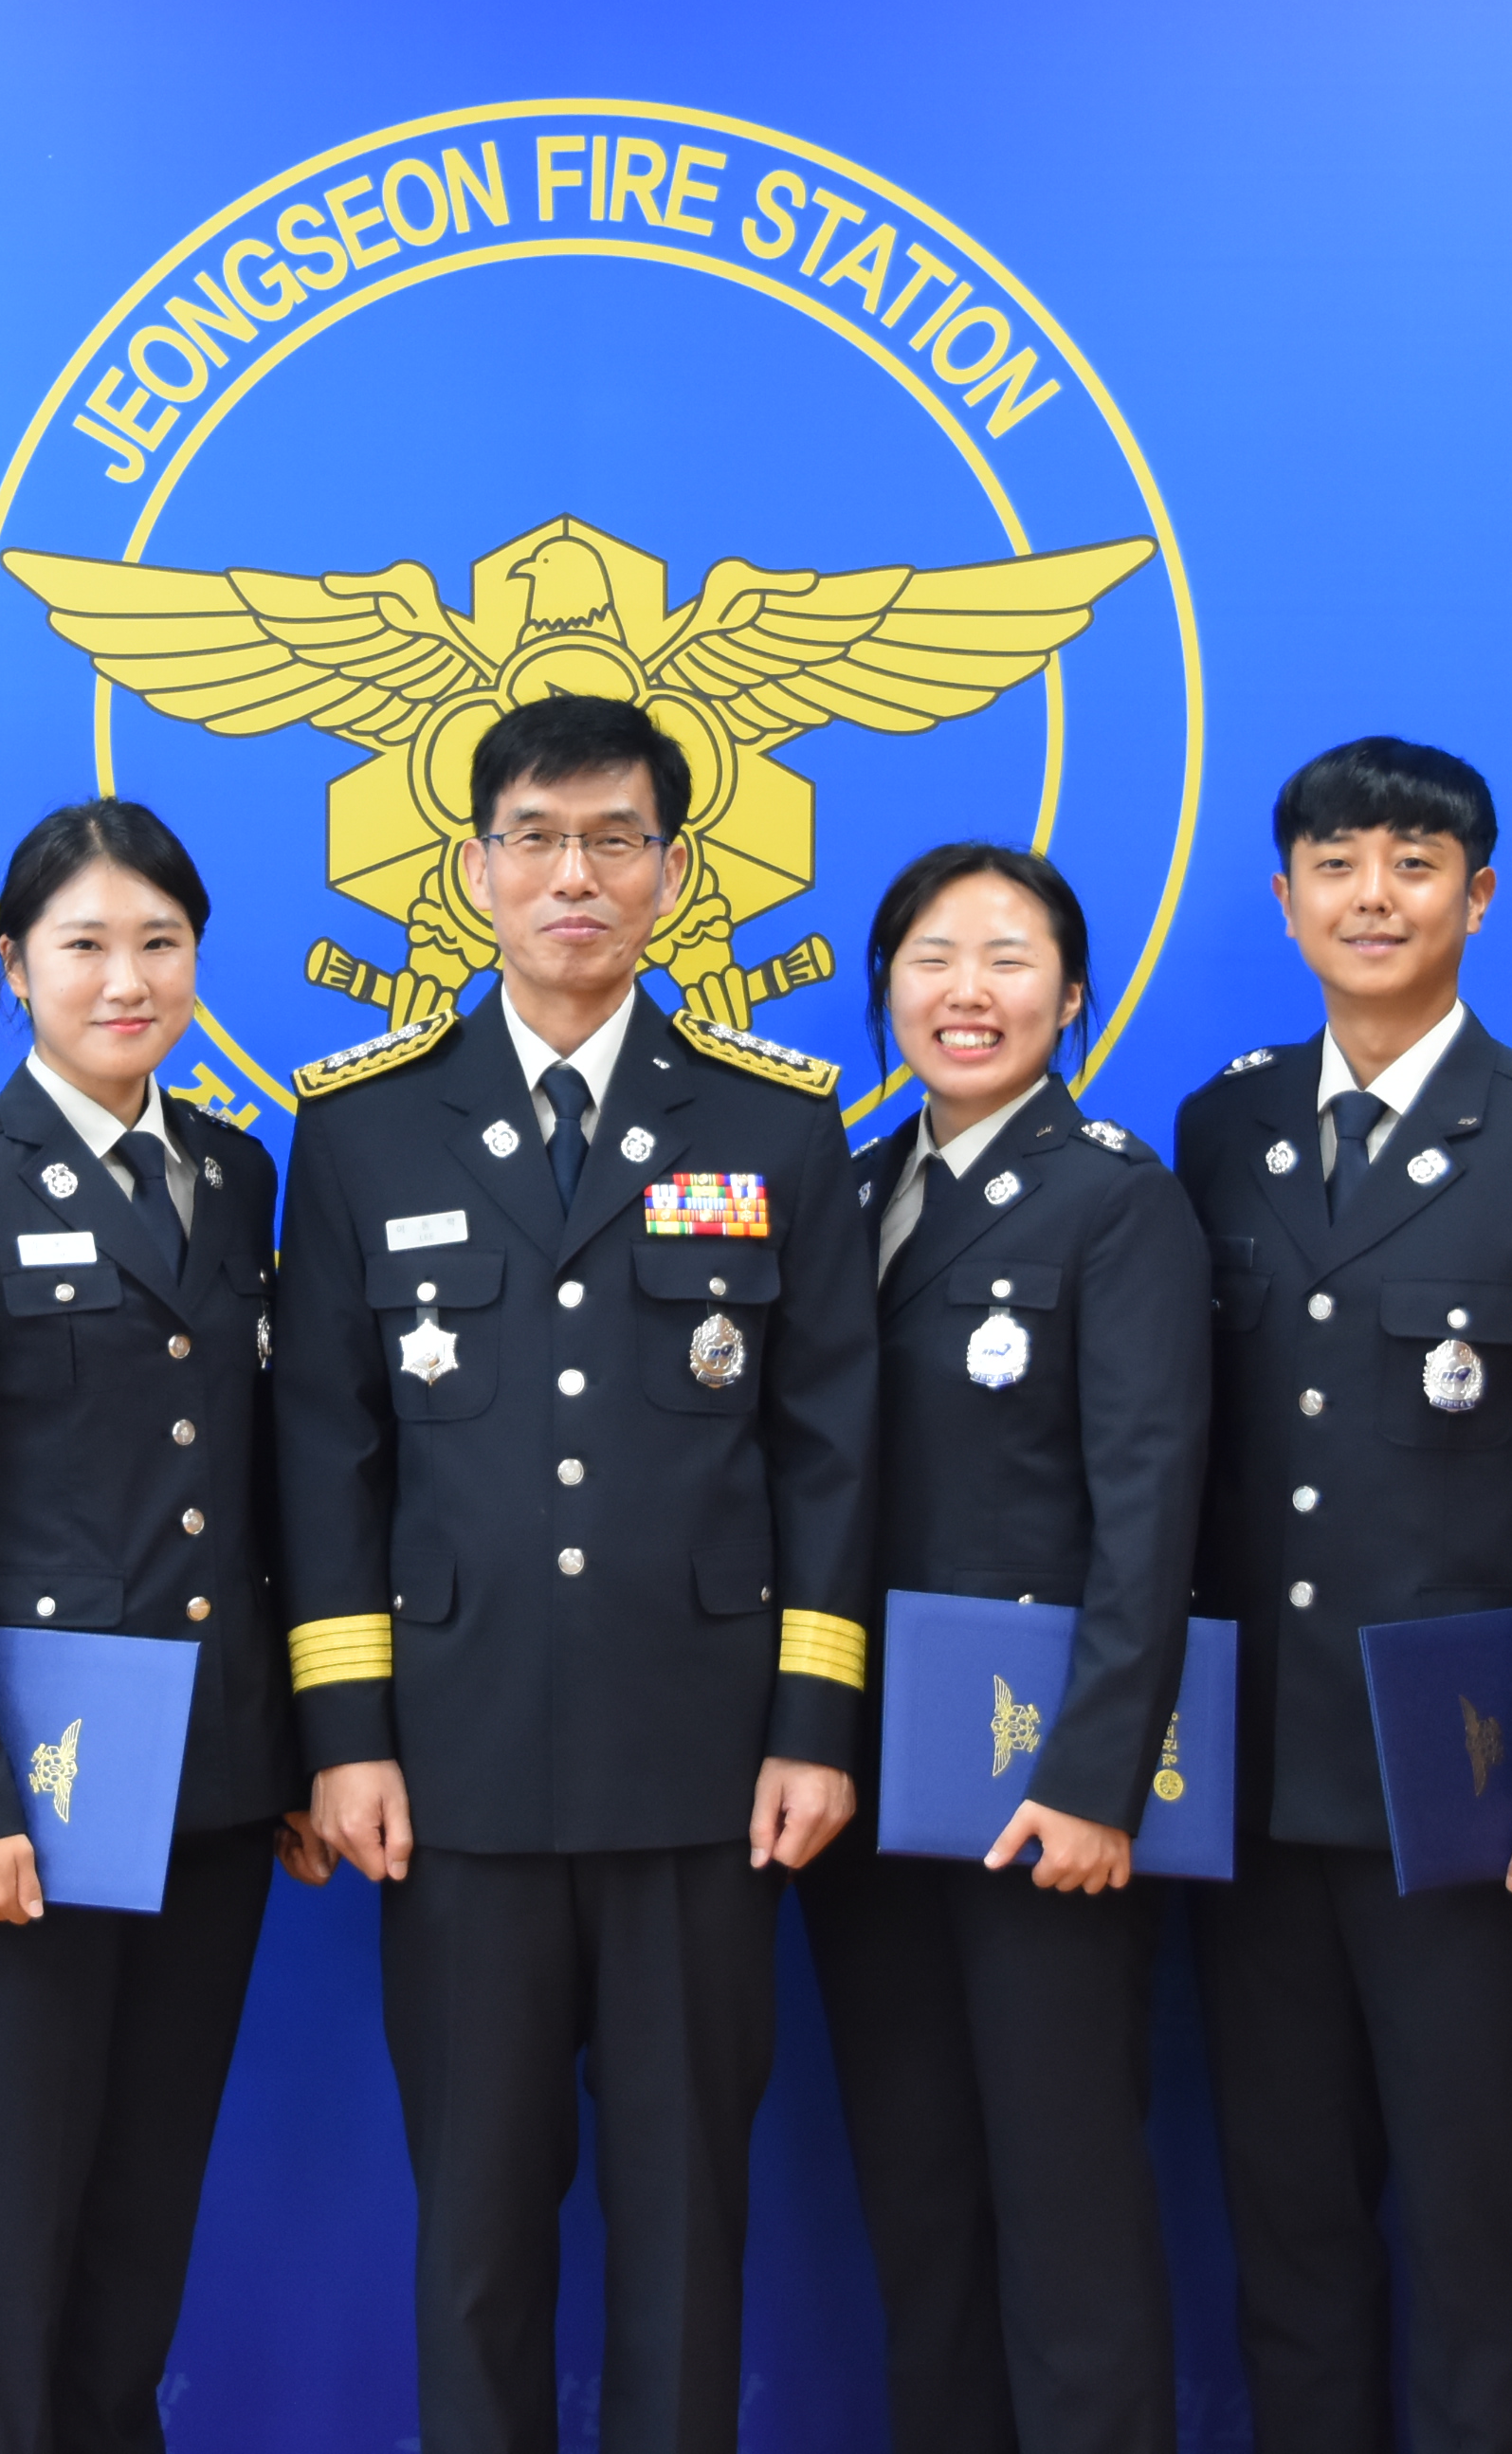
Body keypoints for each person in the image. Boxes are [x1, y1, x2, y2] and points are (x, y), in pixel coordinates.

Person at [276, 689, 876, 2454]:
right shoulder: (367, 1126)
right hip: (451, 1773)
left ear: (675, 872)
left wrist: (813, 1724)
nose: (574, 876)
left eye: (615, 839)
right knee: (473, 2239)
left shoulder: (776, 1124)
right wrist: (347, 1735)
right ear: (474, 869)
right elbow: (327, 1453)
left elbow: (829, 1451)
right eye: (536, 838)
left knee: (686, 2233)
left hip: (705, 1769)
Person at [1179, 739, 1512, 2454]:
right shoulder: (1226, 1126)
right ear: (1284, 899)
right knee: (1287, 2219)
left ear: (1479, 894)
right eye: (1335, 864)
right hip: (1250, 1780)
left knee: (1475, 2219)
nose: (1372, 896)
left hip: (1463, 1778)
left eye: (1413, 863)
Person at [0, 798, 328, 2451]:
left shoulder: (234, 1174)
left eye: (160, 943)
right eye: (84, 945)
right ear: (16, 965)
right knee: (5, 2234)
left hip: (211, 1782)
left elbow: (255, 1487)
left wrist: (292, 1753)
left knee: (141, 2218)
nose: (126, 980)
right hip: (27, 1791)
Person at [803, 842, 1206, 2454]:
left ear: (1074, 995)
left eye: (1011, 959)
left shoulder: (1117, 1199)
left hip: (1044, 1794)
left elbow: (1152, 1515)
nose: (968, 994)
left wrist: (1098, 1779)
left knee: (1069, 2210)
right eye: (932, 959)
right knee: (919, 2209)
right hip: (862, 1791)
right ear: (884, 990)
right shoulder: (845, 1194)